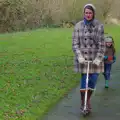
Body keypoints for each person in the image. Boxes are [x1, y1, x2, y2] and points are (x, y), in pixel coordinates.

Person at [72, 4, 105, 112]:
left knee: (93, 81)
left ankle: (88, 99)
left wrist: (98, 58)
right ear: (84, 13)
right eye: (86, 13)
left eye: (90, 13)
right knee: (84, 81)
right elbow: (75, 44)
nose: (88, 15)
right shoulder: (78, 26)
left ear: (93, 13)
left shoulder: (99, 26)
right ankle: (84, 103)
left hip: (95, 59)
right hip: (83, 59)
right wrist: (79, 57)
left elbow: (102, 44)